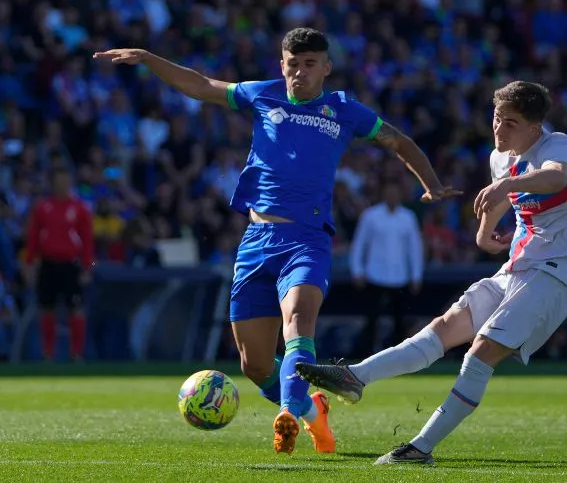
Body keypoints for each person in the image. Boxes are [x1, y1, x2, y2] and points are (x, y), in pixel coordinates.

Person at [93, 28, 460, 455]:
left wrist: (431, 184)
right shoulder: (261, 94)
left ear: (326, 68)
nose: (300, 72)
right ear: (281, 64)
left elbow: (398, 141)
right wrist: (150, 58)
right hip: (257, 239)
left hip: (308, 239)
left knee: (298, 322)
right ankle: (311, 412)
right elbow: (200, 85)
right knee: (255, 365)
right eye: (293, 63)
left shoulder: (345, 110)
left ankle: (286, 414)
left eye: (309, 64)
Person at [296, 81, 567, 465]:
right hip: (517, 266)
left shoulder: (557, 146)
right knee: (445, 325)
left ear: (536, 128)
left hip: (557, 274)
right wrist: (485, 233)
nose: (499, 129)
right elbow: (501, 200)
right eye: (497, 118)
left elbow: (554, 178)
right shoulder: (500, 157)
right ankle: (356, 376)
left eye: (511, 123)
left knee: (481, 350)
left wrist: (507, 184)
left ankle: (420, 447)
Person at [25, 166, 94, 362]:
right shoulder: (42, 208)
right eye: (58, 180)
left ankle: (76, 354)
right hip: (48, 263)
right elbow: (33, 239)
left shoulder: (80, 209)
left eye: (65, 180)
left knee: (76, 309)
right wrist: (30, 263)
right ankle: (48, 353)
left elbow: (87, 241)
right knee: (46, 308)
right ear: (52, 182)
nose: (62, 184)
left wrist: (88, 267)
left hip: (71, 264)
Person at [349, 181, 424, 354]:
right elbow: (360, 244)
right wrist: (357, 270)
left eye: (395, 193)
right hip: (375, 275)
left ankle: (398, 356)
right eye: (389, 193)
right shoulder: (370, 215)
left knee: (399, 319)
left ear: (399, 195)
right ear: (383, 194)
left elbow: (414, 248)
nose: (392, 196)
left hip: (400, 276)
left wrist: (416, 275)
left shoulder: (408, 217)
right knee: (371, 318)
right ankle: (366, 354)